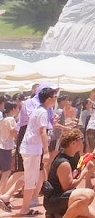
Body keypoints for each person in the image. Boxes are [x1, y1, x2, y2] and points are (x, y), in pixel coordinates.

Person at [43, 129, 95, 218]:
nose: (83, 142)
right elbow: (67, 186)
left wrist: (94, 156)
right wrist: (85, 170)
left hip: (67, 197)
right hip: (55, 200)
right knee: (88, 194)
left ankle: (58, 215)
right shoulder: (63, 163)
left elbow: (78, 168)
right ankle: (57, 214)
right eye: (81, 139)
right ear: (73, 143)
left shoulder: (74, 156)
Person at [19, 86, 57, 217]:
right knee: (30, 179)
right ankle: (24, 208)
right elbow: (42, 132)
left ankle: (18, 203)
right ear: (48, 99)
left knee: (30, 178)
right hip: (32, 149)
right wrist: (46, 151)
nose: (56, 99)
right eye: (54, 97)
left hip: (30, 148)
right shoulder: (43, 112)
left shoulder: (39, 110)